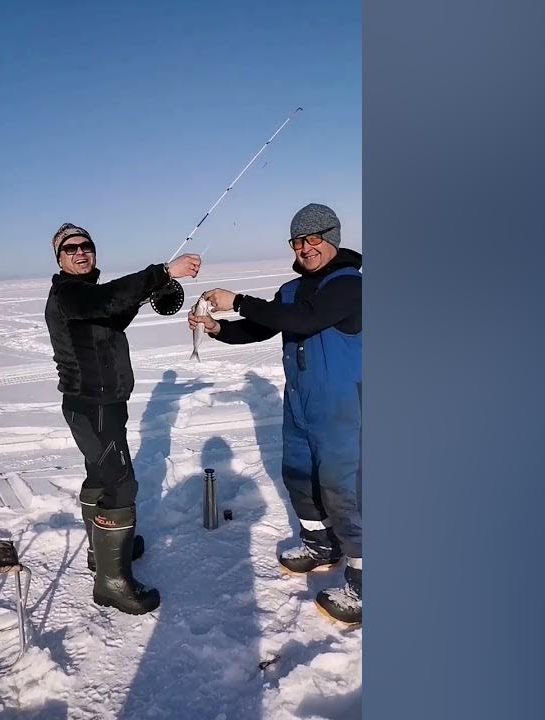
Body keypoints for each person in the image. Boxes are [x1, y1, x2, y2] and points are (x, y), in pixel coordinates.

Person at [187, 203, 363, 624]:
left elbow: (307, 320)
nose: (305, 248)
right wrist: (219, 329)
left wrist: (239, 300)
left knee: (344, 488)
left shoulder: (349, 284)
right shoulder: (290, 290)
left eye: (314, 238)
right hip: (300, 402)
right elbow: (268, 325)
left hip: (343, 405)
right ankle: (321, 543)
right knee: (298, 474)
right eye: (298, 241)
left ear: (333, 237)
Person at [45, 222, 202, 615]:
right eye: (71, 249)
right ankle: (112, 583)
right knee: (120, 485)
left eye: (86, 246)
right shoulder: (68, 294)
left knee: (101, 476)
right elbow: (106, 301)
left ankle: (105, 553)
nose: (81, 252)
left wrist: (151, 292)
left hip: (101, 404)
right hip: (92, 405)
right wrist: (164, 272)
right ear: (59, 259)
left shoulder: (87, 297)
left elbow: (112, 312)